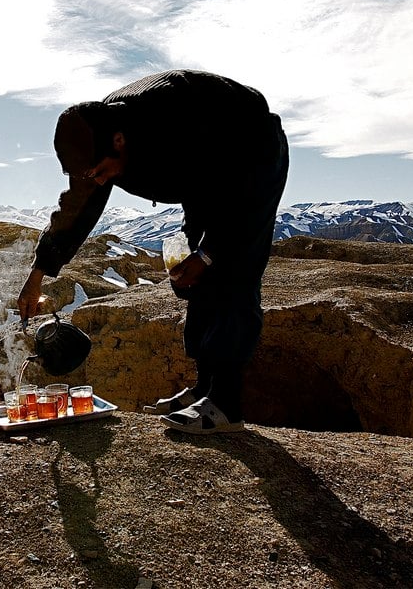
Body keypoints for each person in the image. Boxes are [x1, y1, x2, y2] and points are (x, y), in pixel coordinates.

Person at [17, 69, 289, 435]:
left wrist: (209, 254)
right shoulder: (91, 141)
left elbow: (238, 200)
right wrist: (37, 276)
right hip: (200, 176)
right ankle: (204, 388)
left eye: (100, 173)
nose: (98, 182)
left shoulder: (177, 120)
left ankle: (226, 405)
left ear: (119, 141)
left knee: (232, 268)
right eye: (89, 176)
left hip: (249, 156)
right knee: (196, 275)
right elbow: (76, 211)